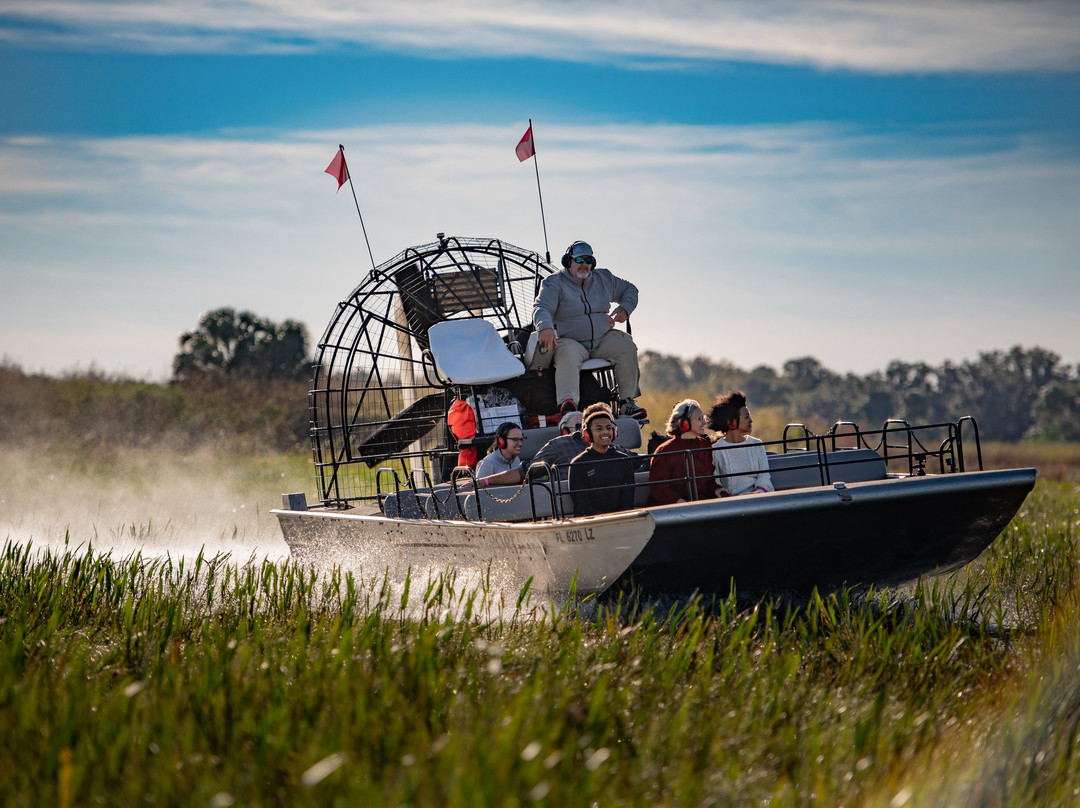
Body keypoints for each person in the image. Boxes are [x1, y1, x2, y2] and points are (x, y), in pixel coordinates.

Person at [533, 240, 646, 421]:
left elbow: (630, 289)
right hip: (572, 341)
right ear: (568, 261)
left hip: (603, 339)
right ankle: (568, 407)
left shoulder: (604, 278)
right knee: (567, 355)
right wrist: (545, 327)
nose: (584, 264)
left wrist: (625, 308)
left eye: (588, 260)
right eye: (579, 260)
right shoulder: (553, 283)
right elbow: (542, 307)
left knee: (626, 346)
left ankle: (627, 402)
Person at [568, 403, 636, 516]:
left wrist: (619, 518)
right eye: (599, 429)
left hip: (622, 519)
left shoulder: (624, 460)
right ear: (588, 433)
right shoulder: (578, 464)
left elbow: (628, 500)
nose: (605, 432)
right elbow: (582, 504)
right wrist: (604, 518)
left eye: (609, 428)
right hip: (590, 522)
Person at [647, 399, 718, 506]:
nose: (704, 422)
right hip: (673, 509)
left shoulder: (704, 445)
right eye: (700, 419)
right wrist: (679, 501)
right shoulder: (665, 451)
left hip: (701, 506)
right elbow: (658, 489)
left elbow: (708, 481)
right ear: (684, 422)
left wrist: (717, 489)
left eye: (704, 418)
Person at [708, 391, 774, 497]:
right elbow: (717, 484)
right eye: (747, 417)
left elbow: (764, 478)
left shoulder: (757, 444)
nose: (751, 420)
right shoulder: (716, 450)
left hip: (758, 498)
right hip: (731, 502)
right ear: (732, 422)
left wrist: (756, 493)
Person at [527, 410, 587, 480]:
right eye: (579, 427)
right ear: (565, 431)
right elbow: (529, 471)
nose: (583, 431)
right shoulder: (556, 447)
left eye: (586, 427)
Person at [472, 421, 525, 488]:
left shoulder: (516, 460)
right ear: (501, 440)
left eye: (521, 439)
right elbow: (479, 491)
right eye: (515, 439)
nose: (520, 444)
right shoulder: (487, 463)